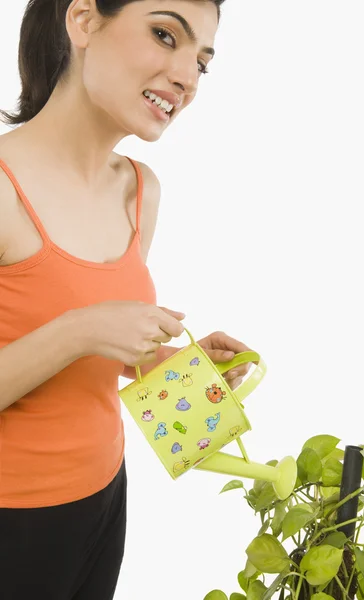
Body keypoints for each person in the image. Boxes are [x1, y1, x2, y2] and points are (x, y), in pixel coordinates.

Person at [0, 1, 253, 598]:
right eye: (166, 36)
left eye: (202, 63)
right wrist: (82, 329)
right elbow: (72, 334)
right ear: (84, 20)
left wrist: (169, 371)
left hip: (102, 500)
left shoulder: (139, 191)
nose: (187, 77)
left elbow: (90, 366)